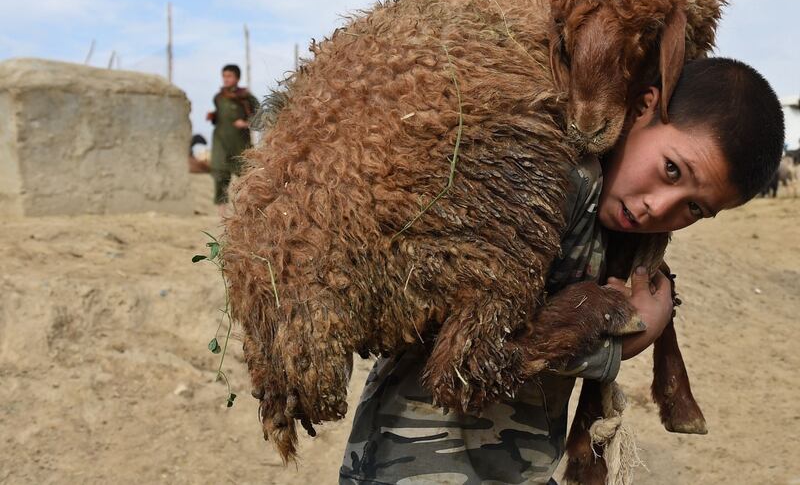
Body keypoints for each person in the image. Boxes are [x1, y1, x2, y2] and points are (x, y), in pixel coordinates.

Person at [339, 57, 785, 484]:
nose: (659, 207)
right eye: (671, 169)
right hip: (414, 462)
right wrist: (624, 342)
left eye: (693, 207)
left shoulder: (618, 229)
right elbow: (466, 341)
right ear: (644, 106)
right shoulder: (545, 181)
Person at [207, 64, 260, 214]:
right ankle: (222, 217)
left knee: (246, 179)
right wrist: (214, 116)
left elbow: (260, 115)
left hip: (240, 146)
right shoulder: (218, 98)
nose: (226, 79)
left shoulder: (247, 97)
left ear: (237, 78)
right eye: (224, 76)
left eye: (229, 76)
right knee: (220, 178)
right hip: (220, 144)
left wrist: (246, 123)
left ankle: (247, 213)